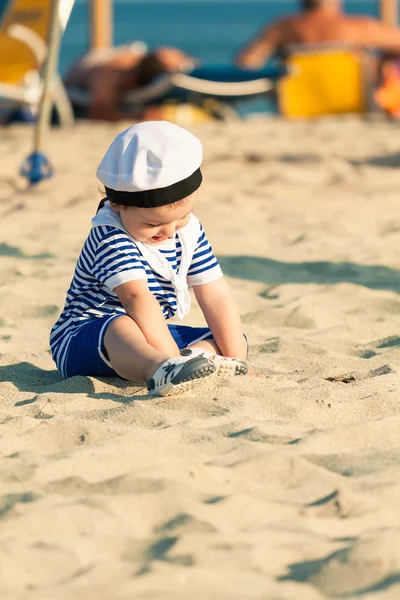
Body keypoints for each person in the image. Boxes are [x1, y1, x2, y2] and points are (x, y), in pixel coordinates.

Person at [50, 121, 249, 398]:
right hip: (83, 336)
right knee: (121, 325)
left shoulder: (188, 231)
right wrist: (170, 358)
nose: (168, 231)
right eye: (153, 223)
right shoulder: (111, 234)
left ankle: (196, 363)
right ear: (118, 204)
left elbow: (215, 295)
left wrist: (239, 359)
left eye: (181, 217)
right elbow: (136, 299)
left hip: (147, 332)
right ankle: (161, 367)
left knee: (231, 337)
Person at [235, 0, 400, 68]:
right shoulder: (359, 28)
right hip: (352, 104)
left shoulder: (283, 28)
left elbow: (245, 64)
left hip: (297, 109)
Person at [64, 45, 197, 121]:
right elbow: (99, 112)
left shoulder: (136, 60)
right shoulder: (108, 74)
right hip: (74, 92)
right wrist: (141, 116)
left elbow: (164, 56)